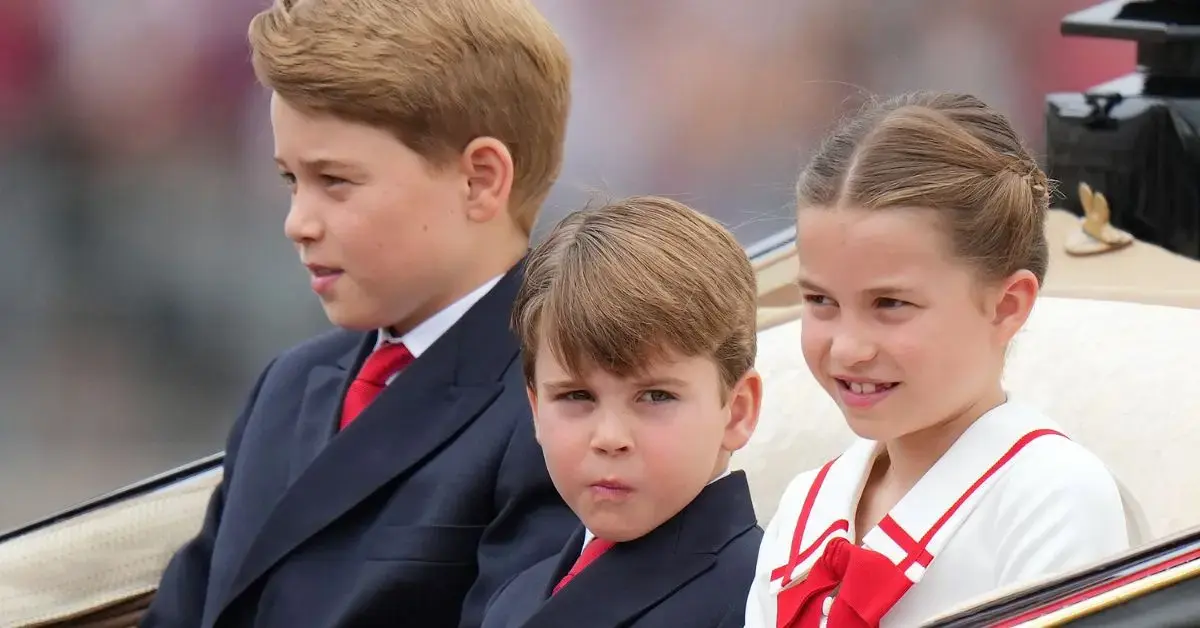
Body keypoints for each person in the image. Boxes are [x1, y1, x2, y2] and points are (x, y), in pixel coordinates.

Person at [141, 1, 577, 626]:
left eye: (336, 181)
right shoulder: (288, 389)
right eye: (292, 180)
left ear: (481, 180)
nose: (298, 222)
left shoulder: (561, 409)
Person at [744, 92, 1130, 628]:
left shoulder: (1052, 498)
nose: (849, 348)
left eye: (891, 304)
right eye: (821, 301)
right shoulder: (805, 507)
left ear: (1006, 305)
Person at [480, 197, 764, 628]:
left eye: (655, 397)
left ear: (737, 411)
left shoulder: (765, 601)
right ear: (536, 408)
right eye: (576, 396)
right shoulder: (512, 598)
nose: (609, 437)